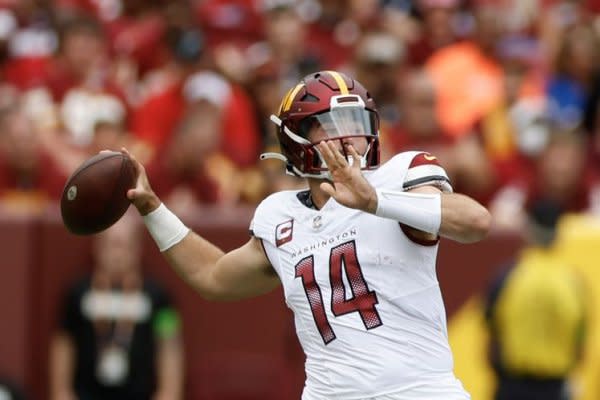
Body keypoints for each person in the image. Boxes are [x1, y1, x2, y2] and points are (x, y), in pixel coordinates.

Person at [123, 70, 491, 399]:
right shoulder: (280, 214)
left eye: (358, 122)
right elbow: (213, 277)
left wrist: (375, 200)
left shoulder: (399, 176)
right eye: (333, 124)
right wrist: (153, 209)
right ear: (297, 140)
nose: (350, 138)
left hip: (418, 391)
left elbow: (475, 222)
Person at [49, 212, 183, 400]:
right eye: (112, 245)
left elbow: (169, 346)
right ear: (98, 246)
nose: (117, 254)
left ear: (137, 248)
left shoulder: (159, 297)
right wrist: (62, 393)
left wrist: (168, 394)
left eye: (124, 245)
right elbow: (63, 344)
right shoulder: (77, 293)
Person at [484, 201, 586, 400]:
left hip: (512, 384)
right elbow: (580, 342)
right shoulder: (573, 282)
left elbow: (491, 331)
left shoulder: (509, 275)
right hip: (555, 386)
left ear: (529, 232)